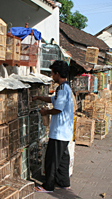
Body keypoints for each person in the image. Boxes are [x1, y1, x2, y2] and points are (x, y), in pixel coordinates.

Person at [32, 60, 73, 192]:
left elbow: (58, 109)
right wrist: (39, 97)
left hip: (59, 131)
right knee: (62, 159)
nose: (52, 77)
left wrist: (46, 112)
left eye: (52, 74)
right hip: (66, 131)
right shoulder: (66, 87)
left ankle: (48, 186)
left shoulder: (61, 88)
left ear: (57, 73)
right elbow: (52, 99)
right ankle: (64, 182)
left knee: (52, 159)